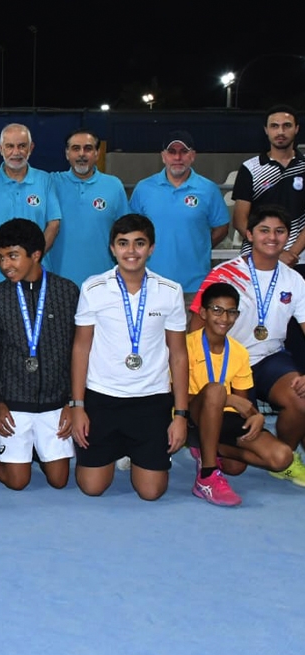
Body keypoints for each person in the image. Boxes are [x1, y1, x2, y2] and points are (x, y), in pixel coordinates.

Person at [68, 214, 189, 500]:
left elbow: (179, 355)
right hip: (103, 398)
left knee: (151, 492)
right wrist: (77, 406)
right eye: (123, 243)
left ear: (151, 248)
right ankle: (120, 450)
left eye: (139, 243)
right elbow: (81, 348)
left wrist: (181, 415)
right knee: (92, 487)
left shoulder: (170, 291)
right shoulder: (93, 288)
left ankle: (135, 452)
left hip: (151, 399)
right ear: (112, 248)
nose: (131, 251)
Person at [190, 204, 305, 486]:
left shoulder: (294, 280)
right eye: (264, 230)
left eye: (279, 231)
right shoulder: (224, 274)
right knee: (233, 468)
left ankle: (285, 458)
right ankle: (202, 441)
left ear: (287, 236)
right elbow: (195, 329)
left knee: (301, 398)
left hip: (269, 359)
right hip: (228, 364)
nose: (272, 237)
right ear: (250, 234)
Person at [0, 219, 77, 489]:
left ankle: (35, 448)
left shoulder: (67, 291)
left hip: (55, 403)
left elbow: (77, 350)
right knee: (17, 482)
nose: (5, 265)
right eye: (1, 257)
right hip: (13, 403)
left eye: (13, 256)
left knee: (59, 480)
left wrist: (72, 402)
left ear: (36, 255)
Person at [183, 281, 293, 506]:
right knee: (216, 390)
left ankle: (206, 448)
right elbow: (174, 397)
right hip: (190, 416)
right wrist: (228, 397)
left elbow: (242, 403)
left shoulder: (239, 352)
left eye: (231, 312)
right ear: (203, 313)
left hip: (224, 417)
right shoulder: (185, 346)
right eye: (217, 310)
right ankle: (207, 476)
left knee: (279, 458)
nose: (224, 318)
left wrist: (255, 415)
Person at [128, 131, 228, 297]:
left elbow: (222, 227)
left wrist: (199, 246)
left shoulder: (208, 189)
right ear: (163, 156)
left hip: (194, 286)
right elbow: (131, 230)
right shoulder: (144, 188)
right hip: (151, 285)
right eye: (172, 152)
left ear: (193, 156)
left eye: (184, 151)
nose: (177, 157)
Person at [0, 123, 62, 295]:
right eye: (10, 146)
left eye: (22, 146)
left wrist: (32, 260)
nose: (16, 152)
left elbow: (53, 224)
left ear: (31, 148)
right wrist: (2, 261)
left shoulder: (45, 180)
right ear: (0, 149)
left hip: (36, 278)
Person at [45, 129, 130, 286]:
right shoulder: (51, 183)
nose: (82, 154)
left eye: (88, 148)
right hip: (59, 283)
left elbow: (126, 234)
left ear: (97, 154)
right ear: (67, 154)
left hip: (103, 282)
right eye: (76, 148)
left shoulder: (113, 185)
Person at [231, 105, 304, 260]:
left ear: (296, 129)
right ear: (266, 130)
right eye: (274, 126)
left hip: (299, 259)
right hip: (257, 257)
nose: (281, 132)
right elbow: (239, 220)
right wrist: (269, 250)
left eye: (287, 126)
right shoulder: (250, 168)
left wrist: (292, 254)